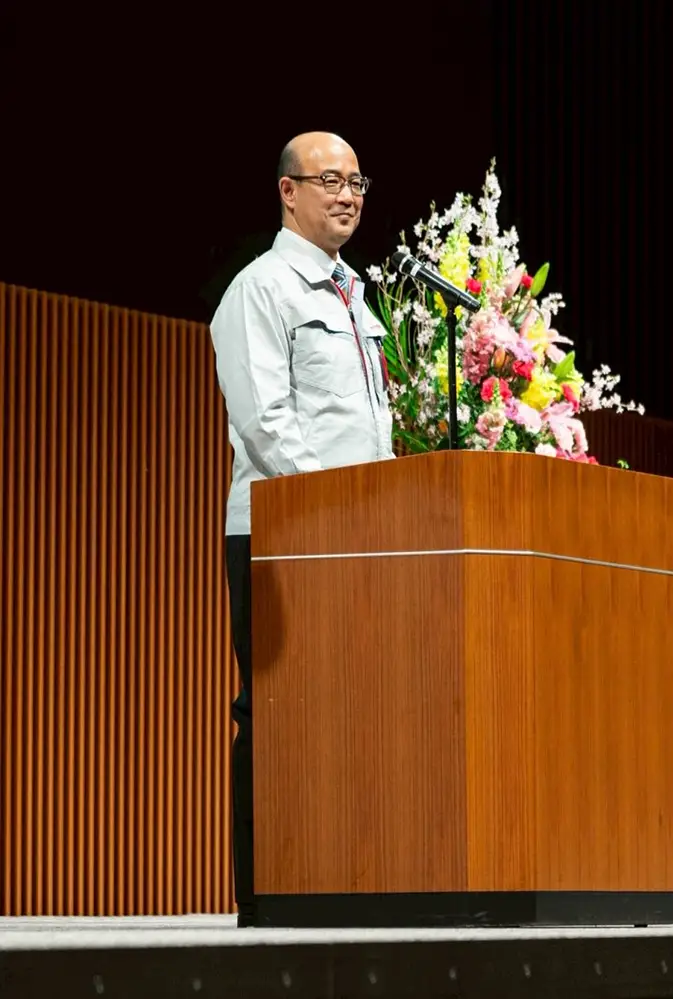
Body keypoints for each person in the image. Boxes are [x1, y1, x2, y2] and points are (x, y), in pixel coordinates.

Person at [208, 131, 394, 927]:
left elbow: (375, 427)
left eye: (356, 181)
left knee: (352, 709)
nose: (347, 194)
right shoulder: (261, 290)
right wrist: (331, 514)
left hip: (362, 538)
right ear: (288, 192)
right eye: (329, 180)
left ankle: (342, 872)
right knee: (278, 712)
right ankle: (267, 890)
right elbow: (265, 425)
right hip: (284, 535)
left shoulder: (357, 294)